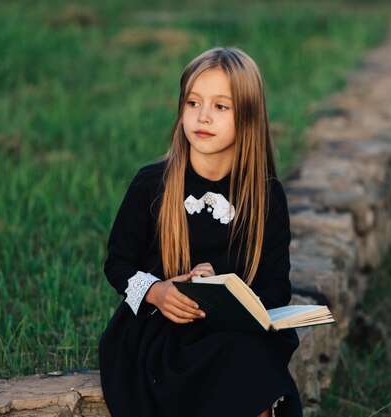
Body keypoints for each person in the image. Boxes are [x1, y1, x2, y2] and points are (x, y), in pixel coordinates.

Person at [99, 47, 302, 417]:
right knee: (241, 363)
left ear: (249, 116)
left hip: (234, 329)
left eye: (221, 107)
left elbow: (276, 287)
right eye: (193, 103)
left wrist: (228, 297)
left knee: (248, 357)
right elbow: (118, 263)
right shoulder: (152, 184)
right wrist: (158, 292)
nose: (203, 116)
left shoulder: (265, 195)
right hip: (162, 327)